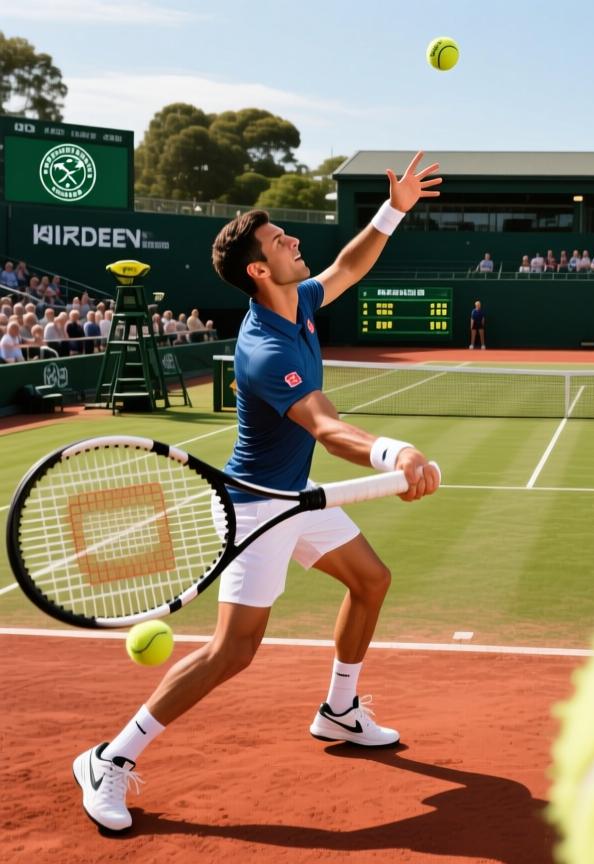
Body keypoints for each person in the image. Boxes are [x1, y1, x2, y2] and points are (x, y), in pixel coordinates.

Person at [72, 151, 443, 834]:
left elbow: (348, 267)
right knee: (233, 651)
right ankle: (110, 758)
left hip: (296, 493)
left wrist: (394, 211)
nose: (294, 241)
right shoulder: (265, 350)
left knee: (370, 581)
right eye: (279, 241)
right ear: (259, 271)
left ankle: (339, 710)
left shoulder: (299, 300)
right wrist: (395, 452)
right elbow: (327, 427)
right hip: (257, 509)